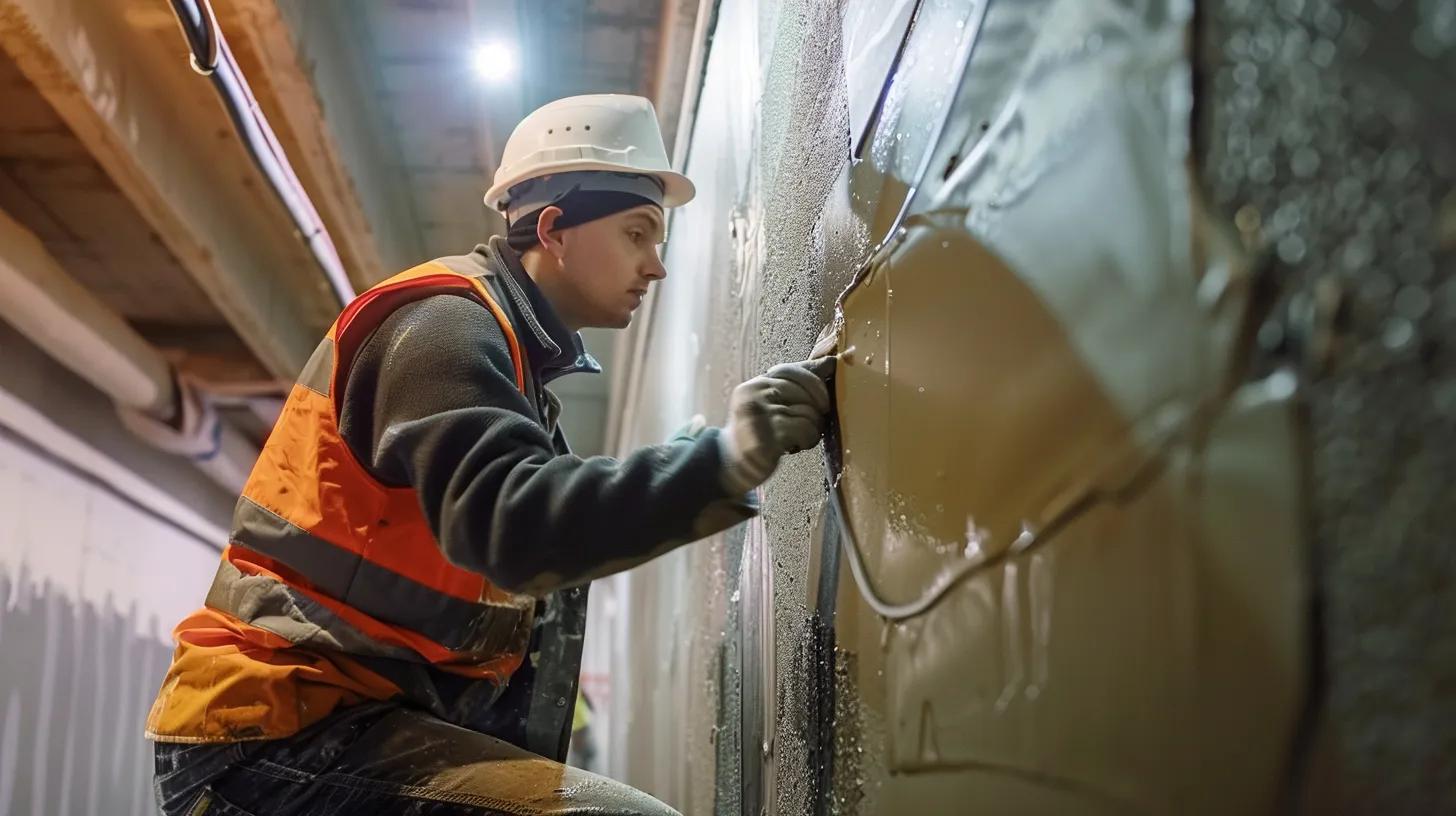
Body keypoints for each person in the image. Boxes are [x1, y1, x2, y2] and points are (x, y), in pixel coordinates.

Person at [145, 94, 834, 815]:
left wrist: (690, 467)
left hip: (330, 731)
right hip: (271, 739)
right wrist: (717, 463)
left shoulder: (509, 365)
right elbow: (518, 526)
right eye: (637, 233)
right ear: (554, 230)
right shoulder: (443, 328)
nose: (654, 266)